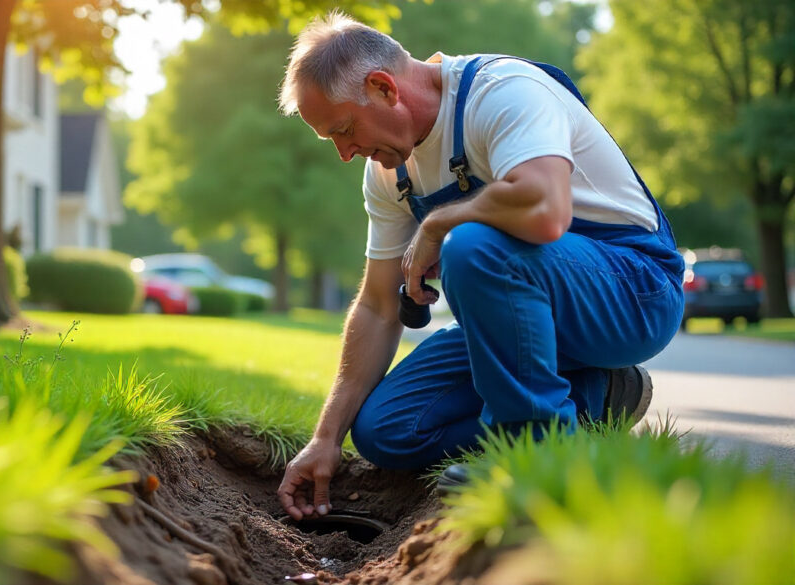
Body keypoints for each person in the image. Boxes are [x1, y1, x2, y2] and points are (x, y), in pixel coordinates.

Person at [275, 12, 684, 521]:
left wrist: (438, 224)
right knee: (387, 429)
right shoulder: (388, 172)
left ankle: (538, 451)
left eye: (344, 130)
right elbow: (379, 307)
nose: (344, 153)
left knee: (470, 244)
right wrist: (324, 438)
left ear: (383, 88)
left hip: (632, 291)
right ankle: (597, 395)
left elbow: (545, 208)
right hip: (524, 320)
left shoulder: (501, 91)